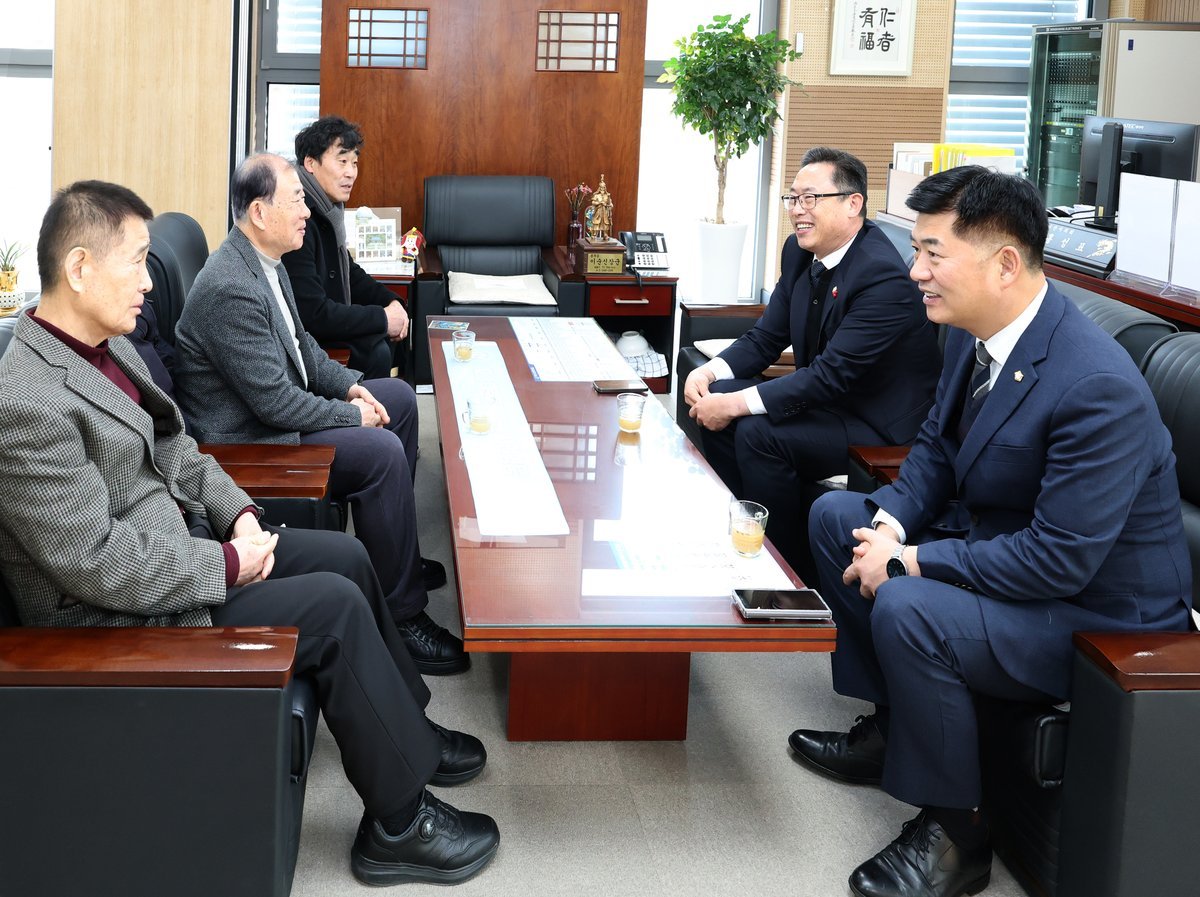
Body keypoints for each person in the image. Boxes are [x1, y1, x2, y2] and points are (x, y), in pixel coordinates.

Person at [0, 180, 499, 886]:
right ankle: (398, 823)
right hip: (123, 614)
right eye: (137, 261)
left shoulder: (110, 347)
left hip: (187, 545)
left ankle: (406, 732)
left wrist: (238, 514)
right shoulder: (25, 401)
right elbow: (95, 563)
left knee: (347, 557)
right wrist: (228, 563)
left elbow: (178, 449)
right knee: (332, 609)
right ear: (79, 268)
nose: (150, 283)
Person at [793, 166, 1192, 897]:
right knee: (836, 520)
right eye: (916, 250)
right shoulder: (972, 333)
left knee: (908, 603)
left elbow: (1058, 561)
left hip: (1094, 613)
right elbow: (936, 449)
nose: (915, 271)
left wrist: (910, 560)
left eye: (932, 253)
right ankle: (894, 729)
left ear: (1005, 263)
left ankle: (958, 835)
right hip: (1010, 553)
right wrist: (887, 526)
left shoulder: (1096, 385)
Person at [173, 153, 467, 676]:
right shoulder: (229, 286)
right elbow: (274, 403)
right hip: (250, 439)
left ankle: (396, 555)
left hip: (275, 412)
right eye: (296, 201)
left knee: (398, 399)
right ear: (259, 212)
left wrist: (354, 388)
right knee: (379, 449)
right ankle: (403, 617)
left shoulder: (267, 260)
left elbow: (304, 348)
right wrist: (352, 417)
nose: (307, 211)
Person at [683, 147, 940, 580]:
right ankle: (746, 530)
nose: (797, 210)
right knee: (718, 395)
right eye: (793, 198)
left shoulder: (881, 275)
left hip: (877, 423)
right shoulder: (799, 252)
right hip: (829, 403)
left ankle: (785, 568)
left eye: (810, 198)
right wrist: (709, 372)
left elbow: (828, 377)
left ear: (853, 203)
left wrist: (735, 404)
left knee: (758, 430)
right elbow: (767, 336)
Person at [283, 115, 410, 380]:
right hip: (302, 339)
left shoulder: (327, 210)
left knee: (393, 331)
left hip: (322, 323)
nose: (351, 172)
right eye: (342, 161)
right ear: (310, 163)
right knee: (377, 347)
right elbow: (313, 314)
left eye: (354, 163)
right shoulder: (298, 218)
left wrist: (391, 302)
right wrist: (382, 318)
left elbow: (349, 273)